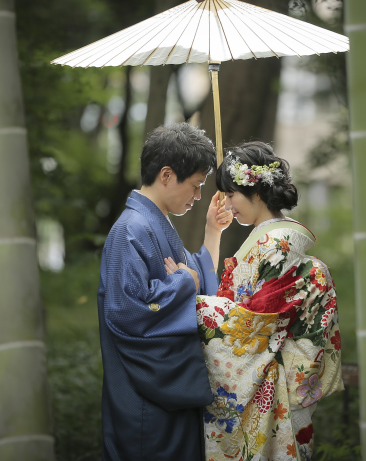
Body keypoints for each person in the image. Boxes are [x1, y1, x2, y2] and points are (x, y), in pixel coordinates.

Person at [174, 141, 344, 461]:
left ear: (256, 191)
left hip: (280, 376)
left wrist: (187, 298)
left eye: (231, 194)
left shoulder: (278, 242)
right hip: (281, 369)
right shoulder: (271, 237)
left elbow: (252, 323)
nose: (227, 202)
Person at [97, 122, 233, 461]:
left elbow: (196, 278)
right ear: (167, 175)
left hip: (168, 392)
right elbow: (127, 315)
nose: (199, 196)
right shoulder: (129, 230)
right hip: (144, 401)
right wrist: (183, 283)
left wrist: (212, 232)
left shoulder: (154, 222)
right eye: (196, 185)